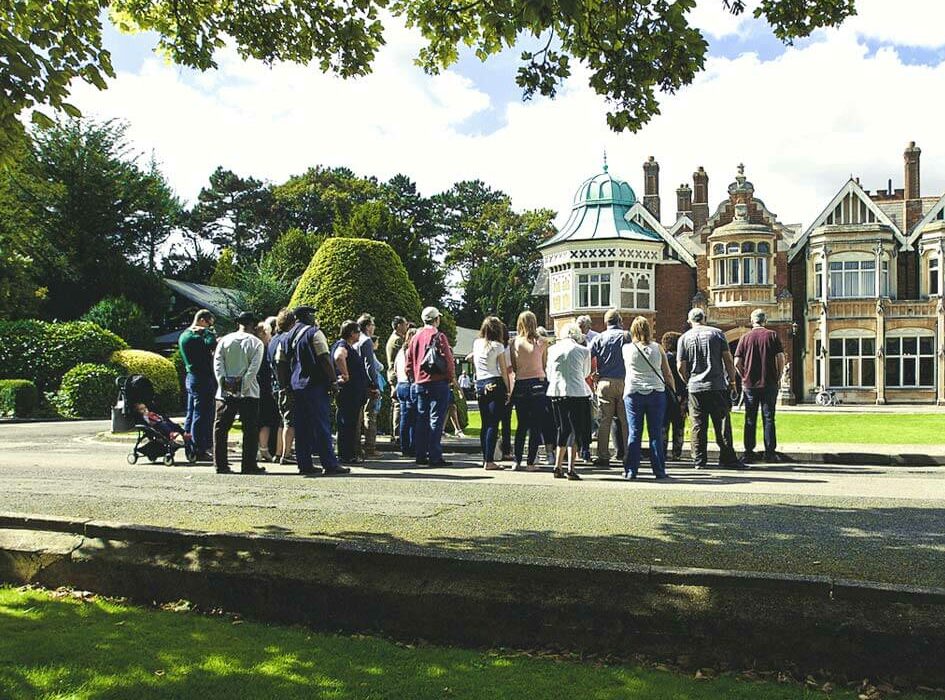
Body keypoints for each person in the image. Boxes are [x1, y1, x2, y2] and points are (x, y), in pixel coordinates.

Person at [274, 305, 349, 476]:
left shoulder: (286, 337)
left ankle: (304, 464)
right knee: (322, 425)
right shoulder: (314, 333)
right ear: (307, 317)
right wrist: (332, 381)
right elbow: (323, 357)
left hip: (296, 387)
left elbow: (280, 363)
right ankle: (329, 464)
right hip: (315, 386)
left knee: (302, 427)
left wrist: (284, 385)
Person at [676, 308, 745, 470]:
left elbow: (680, 366)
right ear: (705, 318)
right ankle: (727, 458)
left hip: (695, 387)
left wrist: (688, 380)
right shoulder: (717, 334)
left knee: (698, 424)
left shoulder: (684, 338)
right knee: (721, 422)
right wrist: (733, 381)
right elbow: (728, 359)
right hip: (717, 385)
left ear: (689, 320)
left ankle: (699, 460)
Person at [623, 316, 676, 480]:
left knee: (634, 432)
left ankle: (632, 470)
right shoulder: (658, 348)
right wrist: (673, 391)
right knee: (655, 433)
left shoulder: (627, 348)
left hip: (634, 391)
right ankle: (659, 470)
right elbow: (667, 373)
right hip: (656, 391)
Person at [213, 311, 265, 475]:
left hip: (224, 392)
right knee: (250, 429)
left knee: (221, 428)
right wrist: (241, 388)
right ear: (253, 325)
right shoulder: (256, 343)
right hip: (249, 392)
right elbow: (253, 370)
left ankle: (220, 464)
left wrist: (224, 383)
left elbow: (218, 364)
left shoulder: (224, 341)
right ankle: (248, 465)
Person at [405, 306, 455, 467]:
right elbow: (448, 360)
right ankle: (435, 455)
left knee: (421, 419)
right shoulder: (439, 336)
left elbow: (409, 360)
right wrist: (450, 378)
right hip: (438, 381)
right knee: (436, 419)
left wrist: (413, 376)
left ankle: (420, 454)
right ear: (436, 319)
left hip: (420, 382)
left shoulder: (415, 336)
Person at [734, 309, 786, 463]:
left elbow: (737, 361)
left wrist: (743, 375)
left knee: (750, 418)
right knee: (769, 417)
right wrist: (779, 374)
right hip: (769, 382)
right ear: (765, 320)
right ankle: (770, 453)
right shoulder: (772, 335)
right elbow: (781, 358)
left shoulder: (745, 338)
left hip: (750, 384)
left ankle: (749, 452)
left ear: (752, 321)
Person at [545, 322, 592, 481]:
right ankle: (571, 467)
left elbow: (549, 373)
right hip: (577, 392)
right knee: (574, 430)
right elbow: (586, 373)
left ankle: (558, 464)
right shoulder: (583, 350)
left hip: (556, 391)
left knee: (561, 428)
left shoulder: (552, 350)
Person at [589, 309, 630, 467]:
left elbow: (588, 356)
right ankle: (628, 454)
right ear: (620, 320)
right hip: (624, 381)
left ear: (606, 322)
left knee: (604, 421)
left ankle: (603, 455)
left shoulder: (599, 338)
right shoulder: (627, 336)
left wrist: (593, 373)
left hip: (604, 382)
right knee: (625, 420)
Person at [509, 310, 548, 471]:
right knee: (536, 425)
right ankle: (531, 462)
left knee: (522, 424)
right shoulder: (543, 342)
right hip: (538, 383)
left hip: (520, 383)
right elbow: (544, 365)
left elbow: (514, 365)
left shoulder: (514, 343)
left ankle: (517, 460)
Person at [473, 316, 512, 470]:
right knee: (493, 424)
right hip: (495, 382)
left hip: (481, 384)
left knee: (484, 423)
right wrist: (508, 389)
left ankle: (485, 457)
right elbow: (503, 370)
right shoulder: (498, 346)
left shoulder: (476, 344)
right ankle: (489, 461)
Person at [178, 309, 217, 461]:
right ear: (201, 320)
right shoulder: (194, 337)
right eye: (208, 325)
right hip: (201, 377)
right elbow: (211, 344)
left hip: (191, 376)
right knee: (202, 414)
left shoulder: (184, 335)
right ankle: (199, 449)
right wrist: (208, 333)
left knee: (191, 413)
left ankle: (190, 446)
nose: (209, 328)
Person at [332, 320, 369, 464]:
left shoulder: (342, 344)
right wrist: (345, 374)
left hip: (350, 392)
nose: (359, 334)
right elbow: (338, 356)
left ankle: (345, 453)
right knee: (348, 423)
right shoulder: (343, 346)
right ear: (352, 333)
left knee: (346, 422)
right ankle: (347, 455)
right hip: (350, 392)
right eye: (358, 332)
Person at [269, 308, 296, 465]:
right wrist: (286, 385)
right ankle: (286, 454)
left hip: (275, 385)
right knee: (289, 421)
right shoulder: (286, 339)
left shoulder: (273, 340)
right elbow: (282, 364)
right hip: (285, 385)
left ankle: (279, 452)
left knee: (281, 421)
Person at [354, 313, 381, 459]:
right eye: (372, 325)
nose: (374, 327)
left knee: (357, 417)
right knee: (370, 416)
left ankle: (356, 447)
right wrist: (374, 384)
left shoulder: (355, 340)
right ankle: (369, 447)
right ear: (367, 326)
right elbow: (369, 365)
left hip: (355, 383)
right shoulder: (367, 341)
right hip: (366, 383)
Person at [254, 319, 279, 462]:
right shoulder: (263, 349)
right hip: (264, 389)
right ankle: (264, 449)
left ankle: (260, 448)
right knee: (266, 420)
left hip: (256, 388)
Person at [661, 331, 687, 461]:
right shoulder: (681, 358)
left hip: (666, 394)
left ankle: (662, 451)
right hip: (680, 395)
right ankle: (677, 453)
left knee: (664, 424)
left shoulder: (664, 357)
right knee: (679, 425)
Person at [393, 327, 418, 457]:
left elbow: (395, 369)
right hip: (409, 385)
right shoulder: (412, 351)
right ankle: (412, 446)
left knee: (404, 418)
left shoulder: (400, 352)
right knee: (413, 418)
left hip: (400, 384)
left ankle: (404, 446)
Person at [386, 316, 408, 449]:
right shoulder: (398, 340)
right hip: (396, 376)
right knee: (398, 406)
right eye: (405, 324)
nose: (406, 327)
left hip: (393, 375)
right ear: (399, 325)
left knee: (395, 405)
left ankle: (394, 434)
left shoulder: (393, 338)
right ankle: (397, 434)